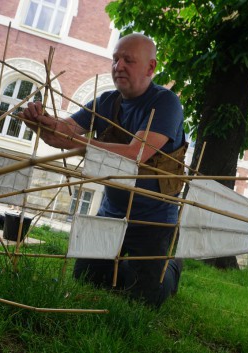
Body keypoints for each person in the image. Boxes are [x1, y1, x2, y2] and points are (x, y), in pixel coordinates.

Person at [20, 33, 185, 307]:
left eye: (128, 60)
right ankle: (125, 267)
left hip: (152, 221)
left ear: (150, 68)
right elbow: (64, 131)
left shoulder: (166, 103)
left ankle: (172, 268)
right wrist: (41, 121)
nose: (118, 66)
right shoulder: (107, 101)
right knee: (87, 279)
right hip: (111, 213)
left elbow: (136, 154)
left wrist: (77, 142)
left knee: (146, 301)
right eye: (115, 59)